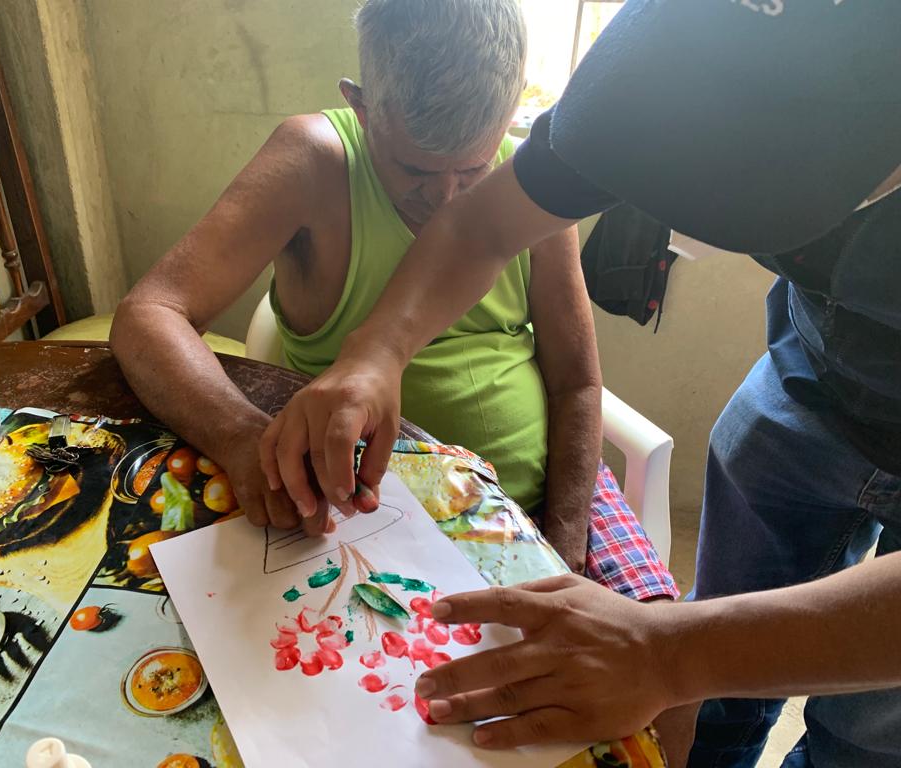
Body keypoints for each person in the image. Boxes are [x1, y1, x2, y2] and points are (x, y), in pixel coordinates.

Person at [258, 1, 901, 766]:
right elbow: (481, 227)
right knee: (720, 688)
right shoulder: (656, 63)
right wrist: (375, 352)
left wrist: (671, 654)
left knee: (865, 734)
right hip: (810, 370)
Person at [110, 0, 675, 601]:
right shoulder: (314, 163)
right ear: (361, 106)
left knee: (652, 649)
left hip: (545, 500)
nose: (446, 200)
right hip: (369, 514)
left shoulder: (536, 181)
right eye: (415, 171)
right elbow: (148, 315)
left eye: (472, 172)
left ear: (510, 116)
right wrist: (240, 437)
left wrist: (561, 551)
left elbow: (577, 383)